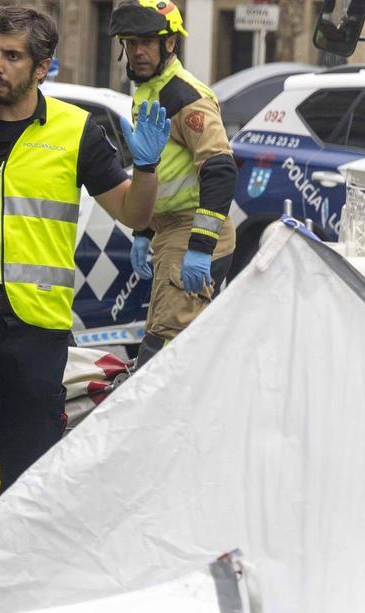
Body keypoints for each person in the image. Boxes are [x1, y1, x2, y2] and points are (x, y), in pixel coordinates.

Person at [0, 4, 170, 550]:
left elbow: (135, 215)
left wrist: (148, 169)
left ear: (43, 67)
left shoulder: (76, 133)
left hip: (37, 328)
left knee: (29, 474)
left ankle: (15, 592)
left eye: (13, 56)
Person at [109, 0, 238, 367]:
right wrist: (144, 232)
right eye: (130, 43)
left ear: (170, 44)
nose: (137, 52)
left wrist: (199, 246)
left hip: (193, 233)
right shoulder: (148, 92)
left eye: (147, 42)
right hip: (169, 231)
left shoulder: (185, 96)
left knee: (165, 347)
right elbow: (160, 172)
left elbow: (220, 168)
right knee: (170, 335)